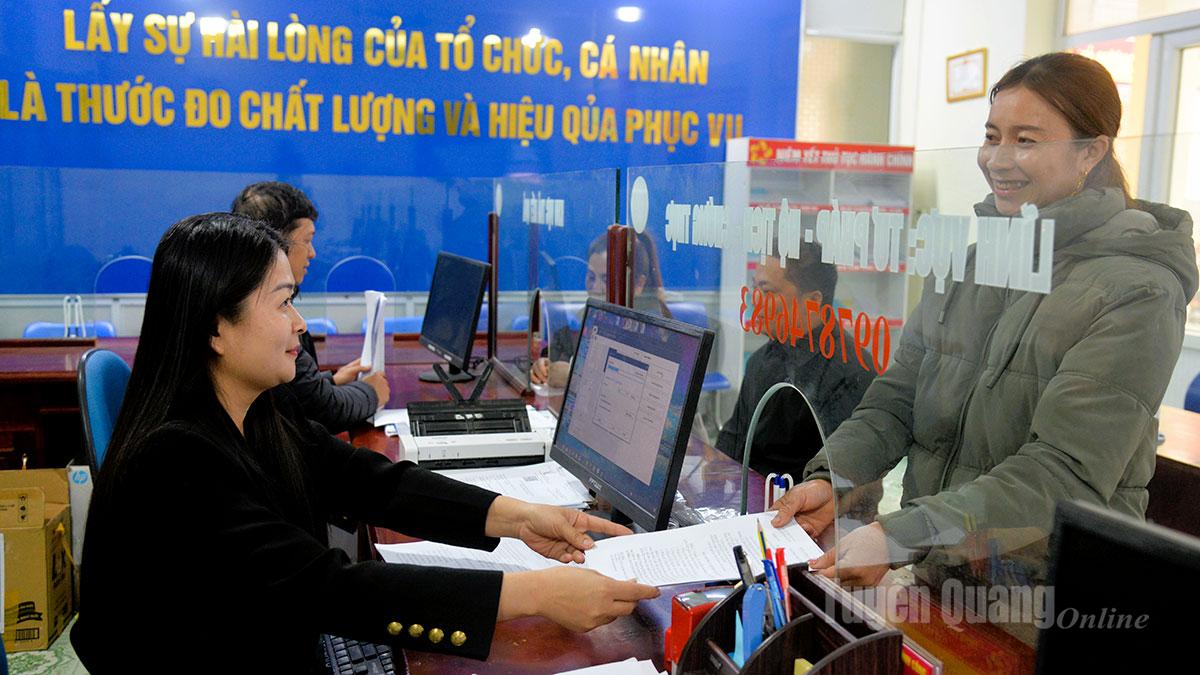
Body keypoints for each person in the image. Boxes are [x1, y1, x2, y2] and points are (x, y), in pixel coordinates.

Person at [71, 214, 659, 672]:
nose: (300, 323)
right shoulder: (175, 462)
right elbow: (327, 589)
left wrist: (520, 517)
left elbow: (369, 481)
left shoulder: (256, 410)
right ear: (216, 329)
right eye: (283, 302)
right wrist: (534, 595)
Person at [771, 52, 1198, 587]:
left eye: (1026, 140)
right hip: (943, 574)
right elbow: (897, 399)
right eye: (992, 137)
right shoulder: (972, 266)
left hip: (1045, 593)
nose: (998, 159)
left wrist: (904, 535)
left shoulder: (1140, 289)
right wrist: (833, 478)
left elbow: (1064, 472)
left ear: (1091, 152)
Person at [231, 181, 388, 432]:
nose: (312, 253)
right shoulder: (261, 318)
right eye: (307, 240)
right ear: (276, 243)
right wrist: (372, 392)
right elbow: (322, 410)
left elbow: (291, 393)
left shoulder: (255, 301)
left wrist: (330, 381)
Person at [716, 242, 875, 478]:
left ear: (813, 301)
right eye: (754, 288)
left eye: (767, 292)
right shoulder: (762, 360)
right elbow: (733, 439)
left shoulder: (849, 373)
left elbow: (849, 479)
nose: (754, 301)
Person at [531, 231, 668, 387]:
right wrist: (544, 366)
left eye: (606, 280)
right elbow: (560, 352)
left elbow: (636, 387)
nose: (595, 288)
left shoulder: (653, 330)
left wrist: (573, 376)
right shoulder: (590, 317)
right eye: (591, 277)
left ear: (638, 285)